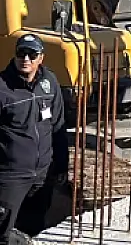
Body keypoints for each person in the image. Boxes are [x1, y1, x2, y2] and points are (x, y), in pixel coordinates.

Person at [0, 35, 64, 240]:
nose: (25, 59)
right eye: (21, 53)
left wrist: (62, 165)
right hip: (11, 176)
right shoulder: (2, 87)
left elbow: (58, 126)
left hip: (43, 175)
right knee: (2, 230)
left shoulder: (49, 82)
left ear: (41, 58)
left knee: (34, 227)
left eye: (32, 54)